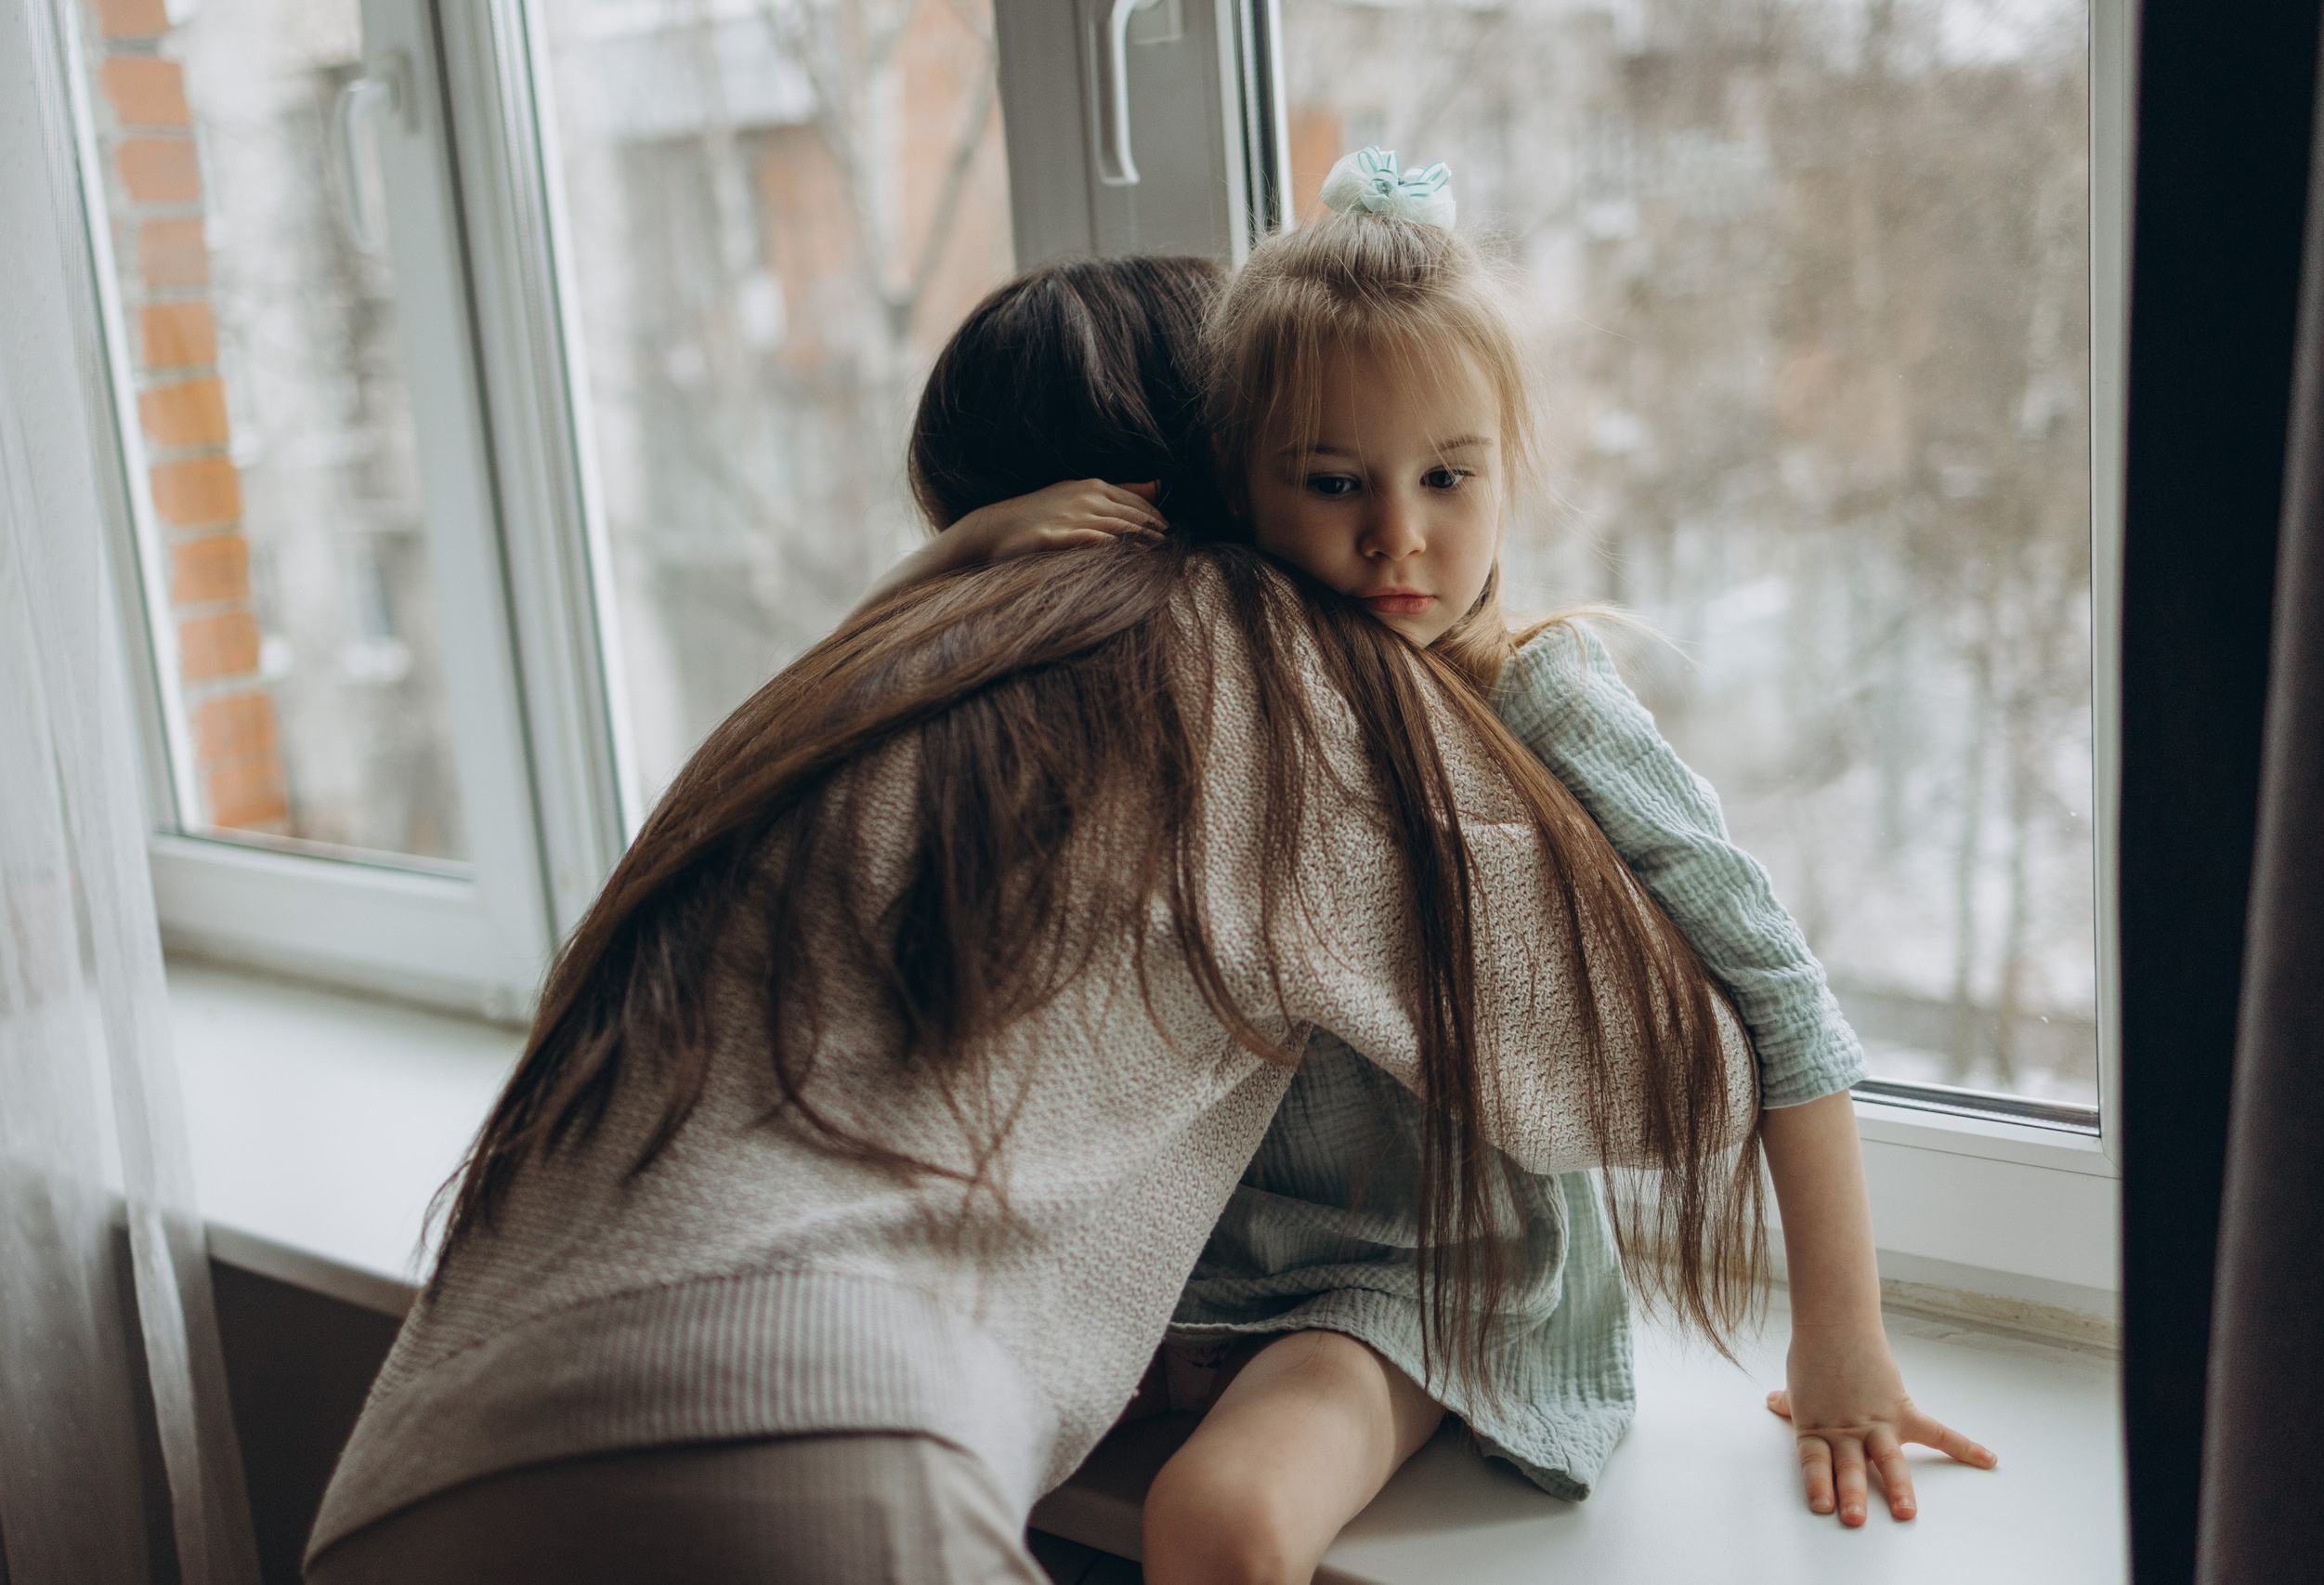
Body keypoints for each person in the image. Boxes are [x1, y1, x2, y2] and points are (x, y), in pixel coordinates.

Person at [299, 253, 1762, 1585]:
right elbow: (1661, 1076)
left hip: (406, 1477)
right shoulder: (1248, 661)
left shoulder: (824, 693)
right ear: (1224, 474)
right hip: (813, 1445)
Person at [887, 154, 1997, 1585]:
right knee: (875, 1424)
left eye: (1448, 478)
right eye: (1337, 481)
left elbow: (1778, 987)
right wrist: (957, 561)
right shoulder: (1205, 678)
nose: (1398, 535)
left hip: (1419, 1275)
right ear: (1238, 490)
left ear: (1507, 471)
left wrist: (1841, 1333)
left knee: (1216, 1522)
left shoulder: (1542, 699)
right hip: (1188, 1255)